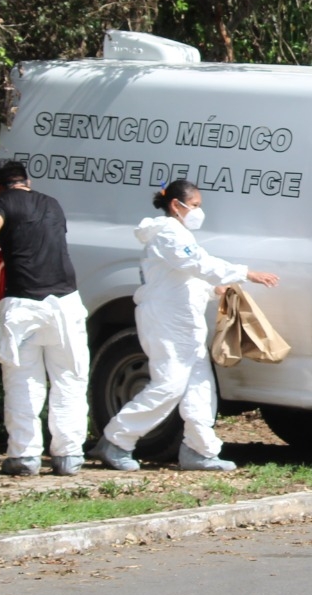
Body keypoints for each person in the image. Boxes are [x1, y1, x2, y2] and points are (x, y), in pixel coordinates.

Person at [91, 179, 279, 473]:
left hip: (184, 324)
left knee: (200, 388)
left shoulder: (179, 235)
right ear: (175, 205)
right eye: (194, 206)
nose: (197, 212)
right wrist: (245, 273)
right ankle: (116, 440)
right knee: (169, 385)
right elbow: (198, 265)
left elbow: (183, 279)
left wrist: (212, 290)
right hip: (167, 322)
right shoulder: (167, 234)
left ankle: (198, 450)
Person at [0, 160, 90, 476]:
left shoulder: (0, 202)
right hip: (65, 303)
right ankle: (68, 456)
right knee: (69, 379)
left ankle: (24, 456)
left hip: (23, 303)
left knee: (23, 381)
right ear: (27, 181)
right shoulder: (52, 204)